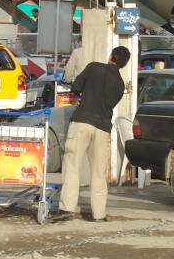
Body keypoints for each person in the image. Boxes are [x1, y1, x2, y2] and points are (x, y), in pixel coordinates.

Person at [50, 45, 132, 223]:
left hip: (81, 122)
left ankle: (66, 208)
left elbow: (76, 87)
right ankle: (99, 214)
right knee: (99, 173)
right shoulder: (119, 85)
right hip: (102, 128)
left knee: (72, 166)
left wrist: (84, 97)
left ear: (110, 56)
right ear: (124, 65)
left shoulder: (94, 67)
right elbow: (108, 104)